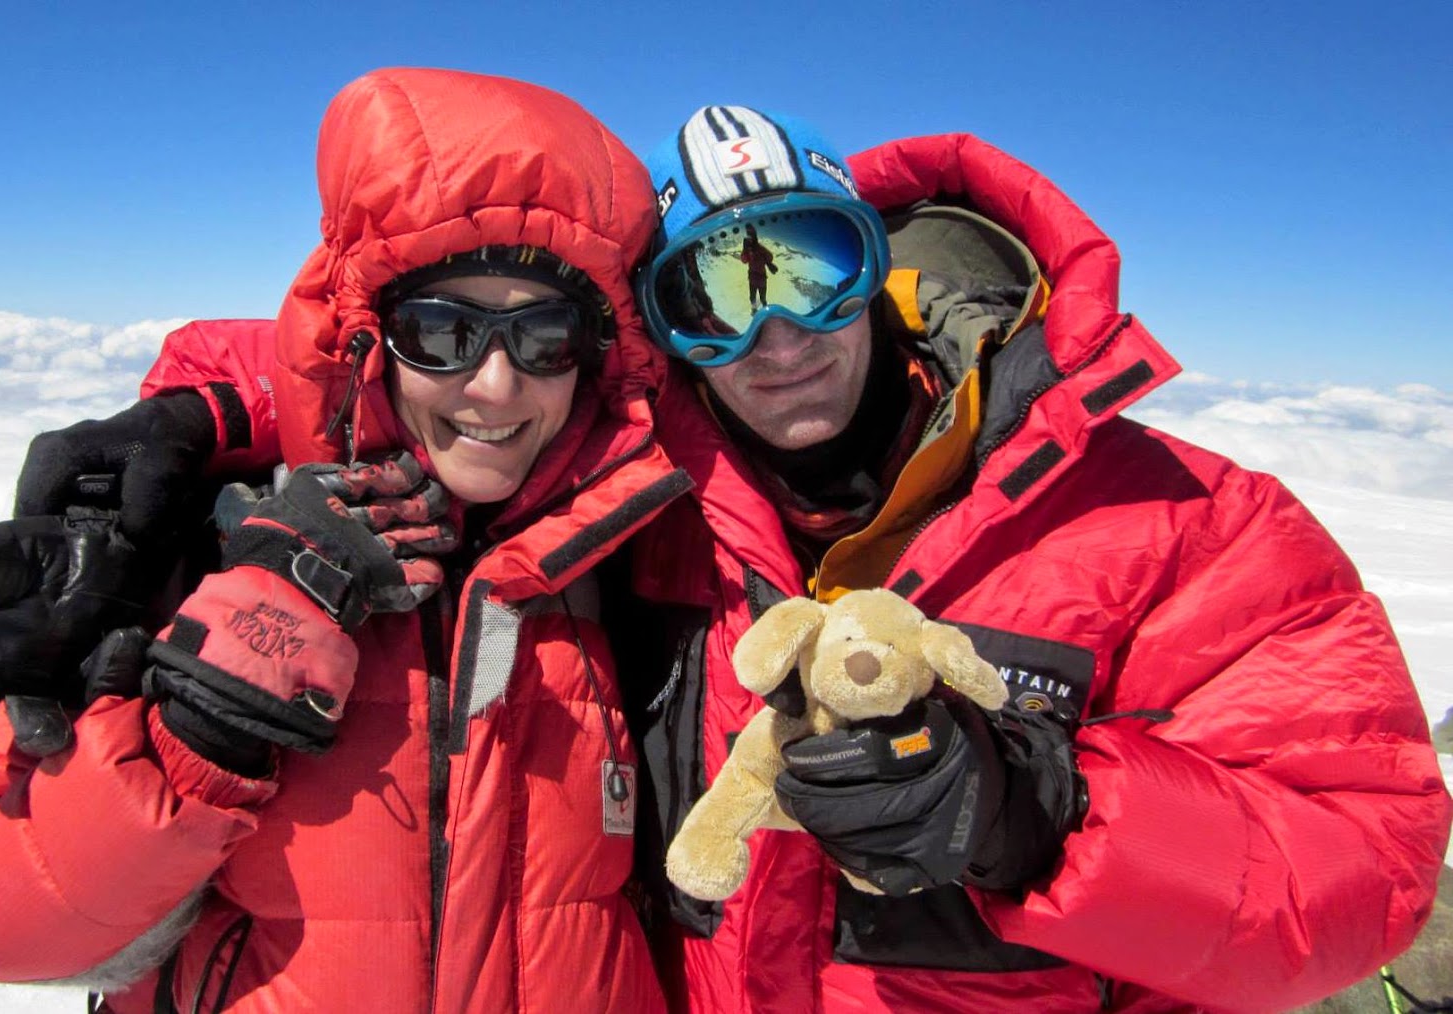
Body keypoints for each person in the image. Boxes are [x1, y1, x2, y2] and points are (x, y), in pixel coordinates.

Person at [616, 106, 1452, 1011]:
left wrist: (1042, 813)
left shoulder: (1187, 524)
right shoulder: (636, 528)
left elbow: (1363, 873)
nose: (778, 337)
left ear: (876, 266)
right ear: (659, 331)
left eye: (814, 269)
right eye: (710, 299)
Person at [0, 67, 686, 1013]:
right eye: (440, 333)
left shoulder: (627, 550)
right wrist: (203, 727)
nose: (497, 385)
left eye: (546, 336)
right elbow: (0, 928)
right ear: (366, 339)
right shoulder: (197, 538)